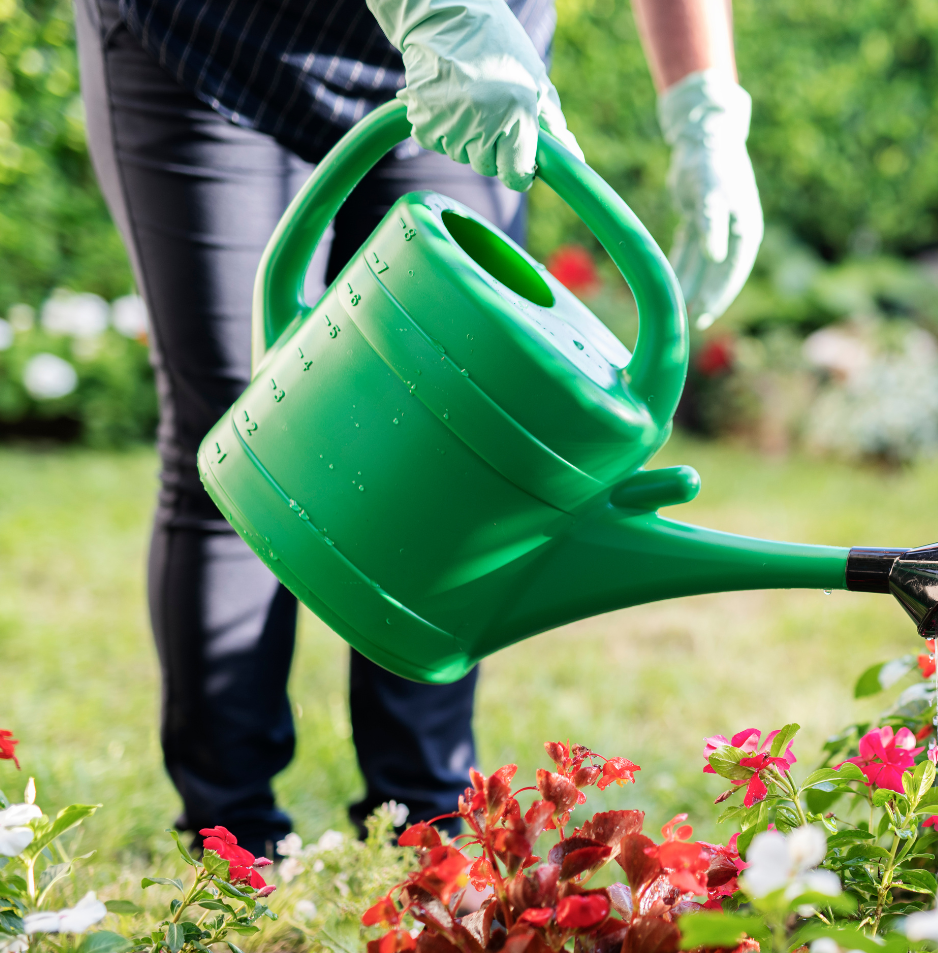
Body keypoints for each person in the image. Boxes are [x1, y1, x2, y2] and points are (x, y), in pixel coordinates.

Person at [73, 0, 763, 853]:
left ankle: (424, 829)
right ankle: (231, 842)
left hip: (476, 55)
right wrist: (441, 13)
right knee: (243, 430)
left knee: (466, 439)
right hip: (212, 42)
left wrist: (705, 114)